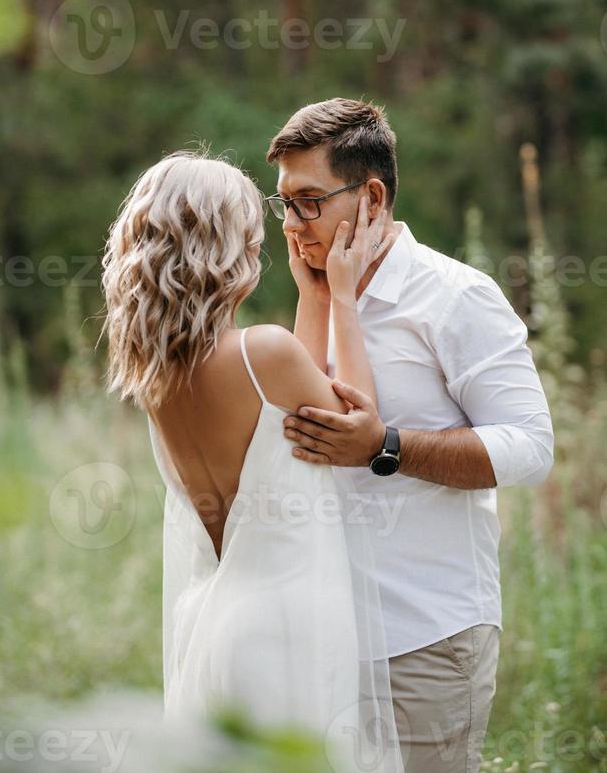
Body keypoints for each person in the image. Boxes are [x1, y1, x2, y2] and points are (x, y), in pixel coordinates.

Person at [265, 97, 555, 773]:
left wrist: (386, 447)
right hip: (325, 640)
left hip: (424, 637)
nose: (291, 223)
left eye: (308, 201)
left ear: (370, 198)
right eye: (283, 203)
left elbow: (532, 448)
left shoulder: (455, 297)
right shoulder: (315, 290)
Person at [100, 149, 404, 773]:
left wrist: (312, 295)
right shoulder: (261, 352)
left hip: (216, 624)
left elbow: (292, 402)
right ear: (224, 246)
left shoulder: (162, 379)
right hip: (286, 633)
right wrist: (342, 297)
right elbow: (355, 427)